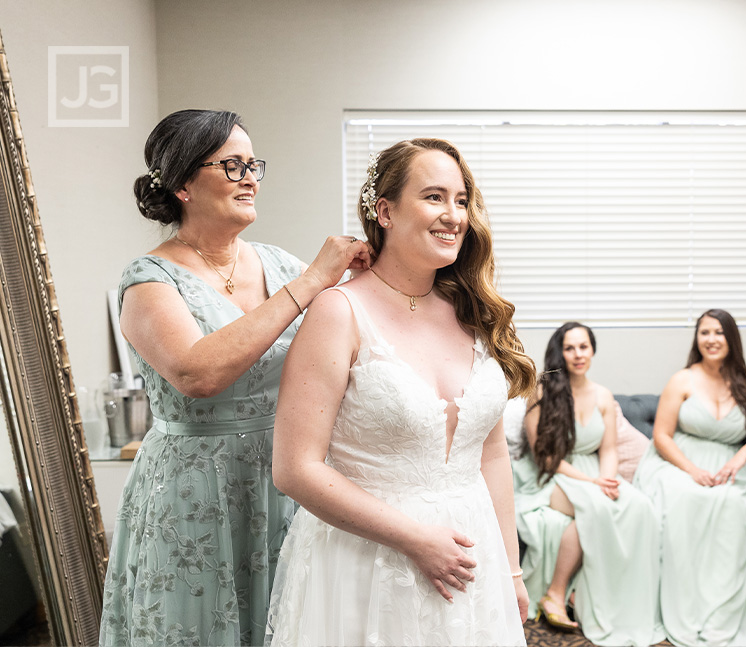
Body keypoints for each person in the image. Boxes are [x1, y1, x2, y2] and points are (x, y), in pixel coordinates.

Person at [99, 109, 371, 647]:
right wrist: (315, 279)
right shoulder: (149, 280)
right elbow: (197, 373)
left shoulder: (278, 264)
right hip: (197, 490)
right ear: (181, 183)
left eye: (253, 164)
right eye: (231, 164)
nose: (250, 177)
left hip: (288, 479)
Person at [263, 138, 535, 646]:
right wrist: (416, 540)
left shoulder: (474, 314)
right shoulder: (338, 312)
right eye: (434, 197)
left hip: (472, 558)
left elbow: (491, 454)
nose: (453, 214)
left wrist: (511, 571)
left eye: (461, 199)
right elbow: (295, 468)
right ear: (384, 211)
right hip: (366, 565)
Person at [632, 308, 746, 647]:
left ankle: (722, 608)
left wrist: (742, 454)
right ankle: (686, 606)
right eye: (705, 332)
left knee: (739, 506)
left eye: (719, 332)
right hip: (678, 463)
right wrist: (692, 471)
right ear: (697, 339)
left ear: (731, 338)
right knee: (690, 499)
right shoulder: (682, 379)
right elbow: (662, 436)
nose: (711, 339)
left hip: (729, 462)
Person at [512, 322, 664, 646]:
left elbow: (608, 449)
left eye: (584, 347)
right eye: (570, 348)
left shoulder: (604, 396)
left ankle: (620, 598)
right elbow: (545, 458)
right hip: (552, 476)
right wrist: (592, 483)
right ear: (560, 352)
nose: (578, 354)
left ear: (592, 350)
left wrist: (607, 479)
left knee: (639, 506)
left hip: (595, 472)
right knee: (594, 507)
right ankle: (555, 593)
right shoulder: (541, 392)